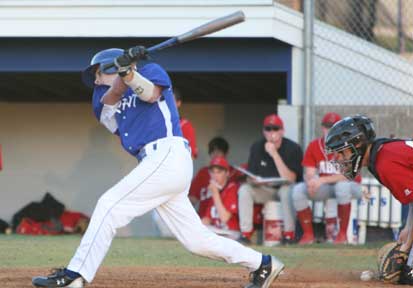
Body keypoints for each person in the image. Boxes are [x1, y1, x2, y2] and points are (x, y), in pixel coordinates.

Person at [31, 47, 284, 288]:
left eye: (99, 73)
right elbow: (112, 98)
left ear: (113, 67)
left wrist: (129, 72)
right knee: (196, 241)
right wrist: (124, 73)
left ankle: (76, 275)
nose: (95, 80)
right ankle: (263, 264)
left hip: (167, 153)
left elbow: (150, 94)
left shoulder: (151, 70)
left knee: (108, 205)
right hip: (156, 163)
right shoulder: (102, 100)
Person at [324, 115, 413, 283]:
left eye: (342, 152)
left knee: (410, 275)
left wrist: (406, 246)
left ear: (358, 144)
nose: (340, 159)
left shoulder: (385, 162)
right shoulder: (381, 153)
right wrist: (408, 230)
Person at [292, 112, 362, 244]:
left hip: (352, 187)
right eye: (327, 126)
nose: (329, 129)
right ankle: (308, 235)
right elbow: (309, 172)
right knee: (298, 190)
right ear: (322, 128)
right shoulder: (314, 145)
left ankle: (342, 235)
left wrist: (321, 180)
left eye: (333, 126)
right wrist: (310, 182)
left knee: (342, 187)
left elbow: (348, 175)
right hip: (326, 187)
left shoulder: (349, 146)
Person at [238, 114, 303, 244]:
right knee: (244, 189)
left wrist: (274, 154)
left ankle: (289, 234)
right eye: (268, 129)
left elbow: (291, 178)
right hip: (264, 189)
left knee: (286, 190)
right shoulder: (257, 147)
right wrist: (253, 180)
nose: (272, 132)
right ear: (264, 131)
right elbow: (250, 175)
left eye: (275, 129)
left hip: (285, 190)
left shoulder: (293, 148)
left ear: (282, 131)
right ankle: (246, 234)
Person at [201, 156, 241, 240]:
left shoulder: (232, 188)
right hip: (218, 231)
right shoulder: (215, 189)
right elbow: (207, 219)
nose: (215, 176)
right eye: (212, 172)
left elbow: (224, 218)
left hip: (232, 233)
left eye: (219, 172)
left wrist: (215, 193)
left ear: (227, 173)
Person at [174, 88, 198, 159]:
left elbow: (191, 155)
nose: (167, 104)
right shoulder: (157, 124)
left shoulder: (184, 125)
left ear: (178, 103)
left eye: (171, 101)